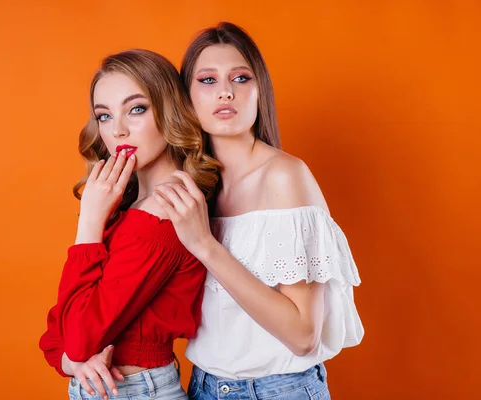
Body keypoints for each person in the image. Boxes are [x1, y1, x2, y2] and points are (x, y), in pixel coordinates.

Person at [152, 22, 364, 400]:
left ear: (259, 92)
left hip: (276, 390)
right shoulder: (192, 185)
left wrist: (206, 245)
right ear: (186, 97)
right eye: (207, 80)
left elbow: (302, 335)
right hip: (201, 386)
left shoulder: (285, 177)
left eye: (240, 77)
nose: (225, 91)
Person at [39, 49, 221, 400]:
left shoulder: (166, 209)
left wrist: (90, 221)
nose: (117, 130)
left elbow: (78, 340)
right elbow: (56, 331)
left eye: (136, 109)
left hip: (136, 391)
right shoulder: (130, 206)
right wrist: (71, 363)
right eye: (104, 116)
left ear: (169, 111)